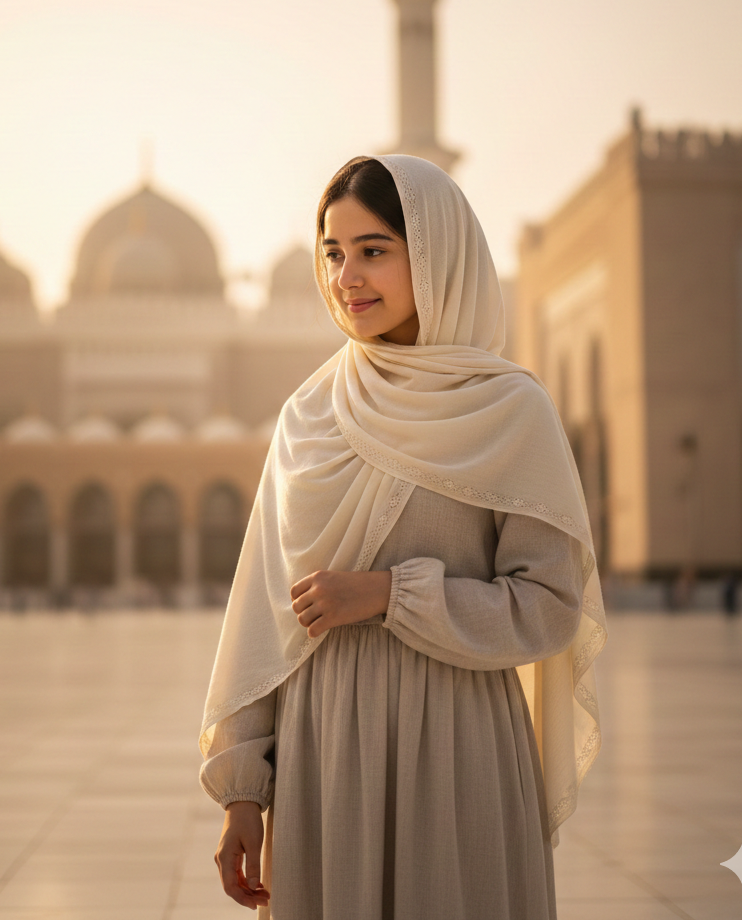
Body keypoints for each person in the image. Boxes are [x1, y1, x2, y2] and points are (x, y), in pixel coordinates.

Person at [199, 155, 608, 919]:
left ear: (436, 252)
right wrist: (243, 792)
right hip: (326, 753)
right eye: (333, 252)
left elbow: (550, 605)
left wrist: (391, 595)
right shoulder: (310, 415)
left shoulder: (509, 409)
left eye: (374, 250)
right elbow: (263, 612)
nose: (347, 276)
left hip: (457, 742)